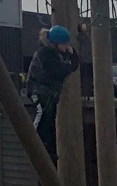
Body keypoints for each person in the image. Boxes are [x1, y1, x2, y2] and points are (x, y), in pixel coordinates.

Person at [25, 25, 80, 158]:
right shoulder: (45, 53)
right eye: (64, 44)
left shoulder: (59, 54)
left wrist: (73, 55)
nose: (66, 46)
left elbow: (74, 66)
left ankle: (49, 147)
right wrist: (69, 65)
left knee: (50, 119)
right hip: (39, 89)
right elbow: (57, 72)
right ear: (55, 43)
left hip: (51, 92)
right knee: (43, 112)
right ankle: (34, 141)